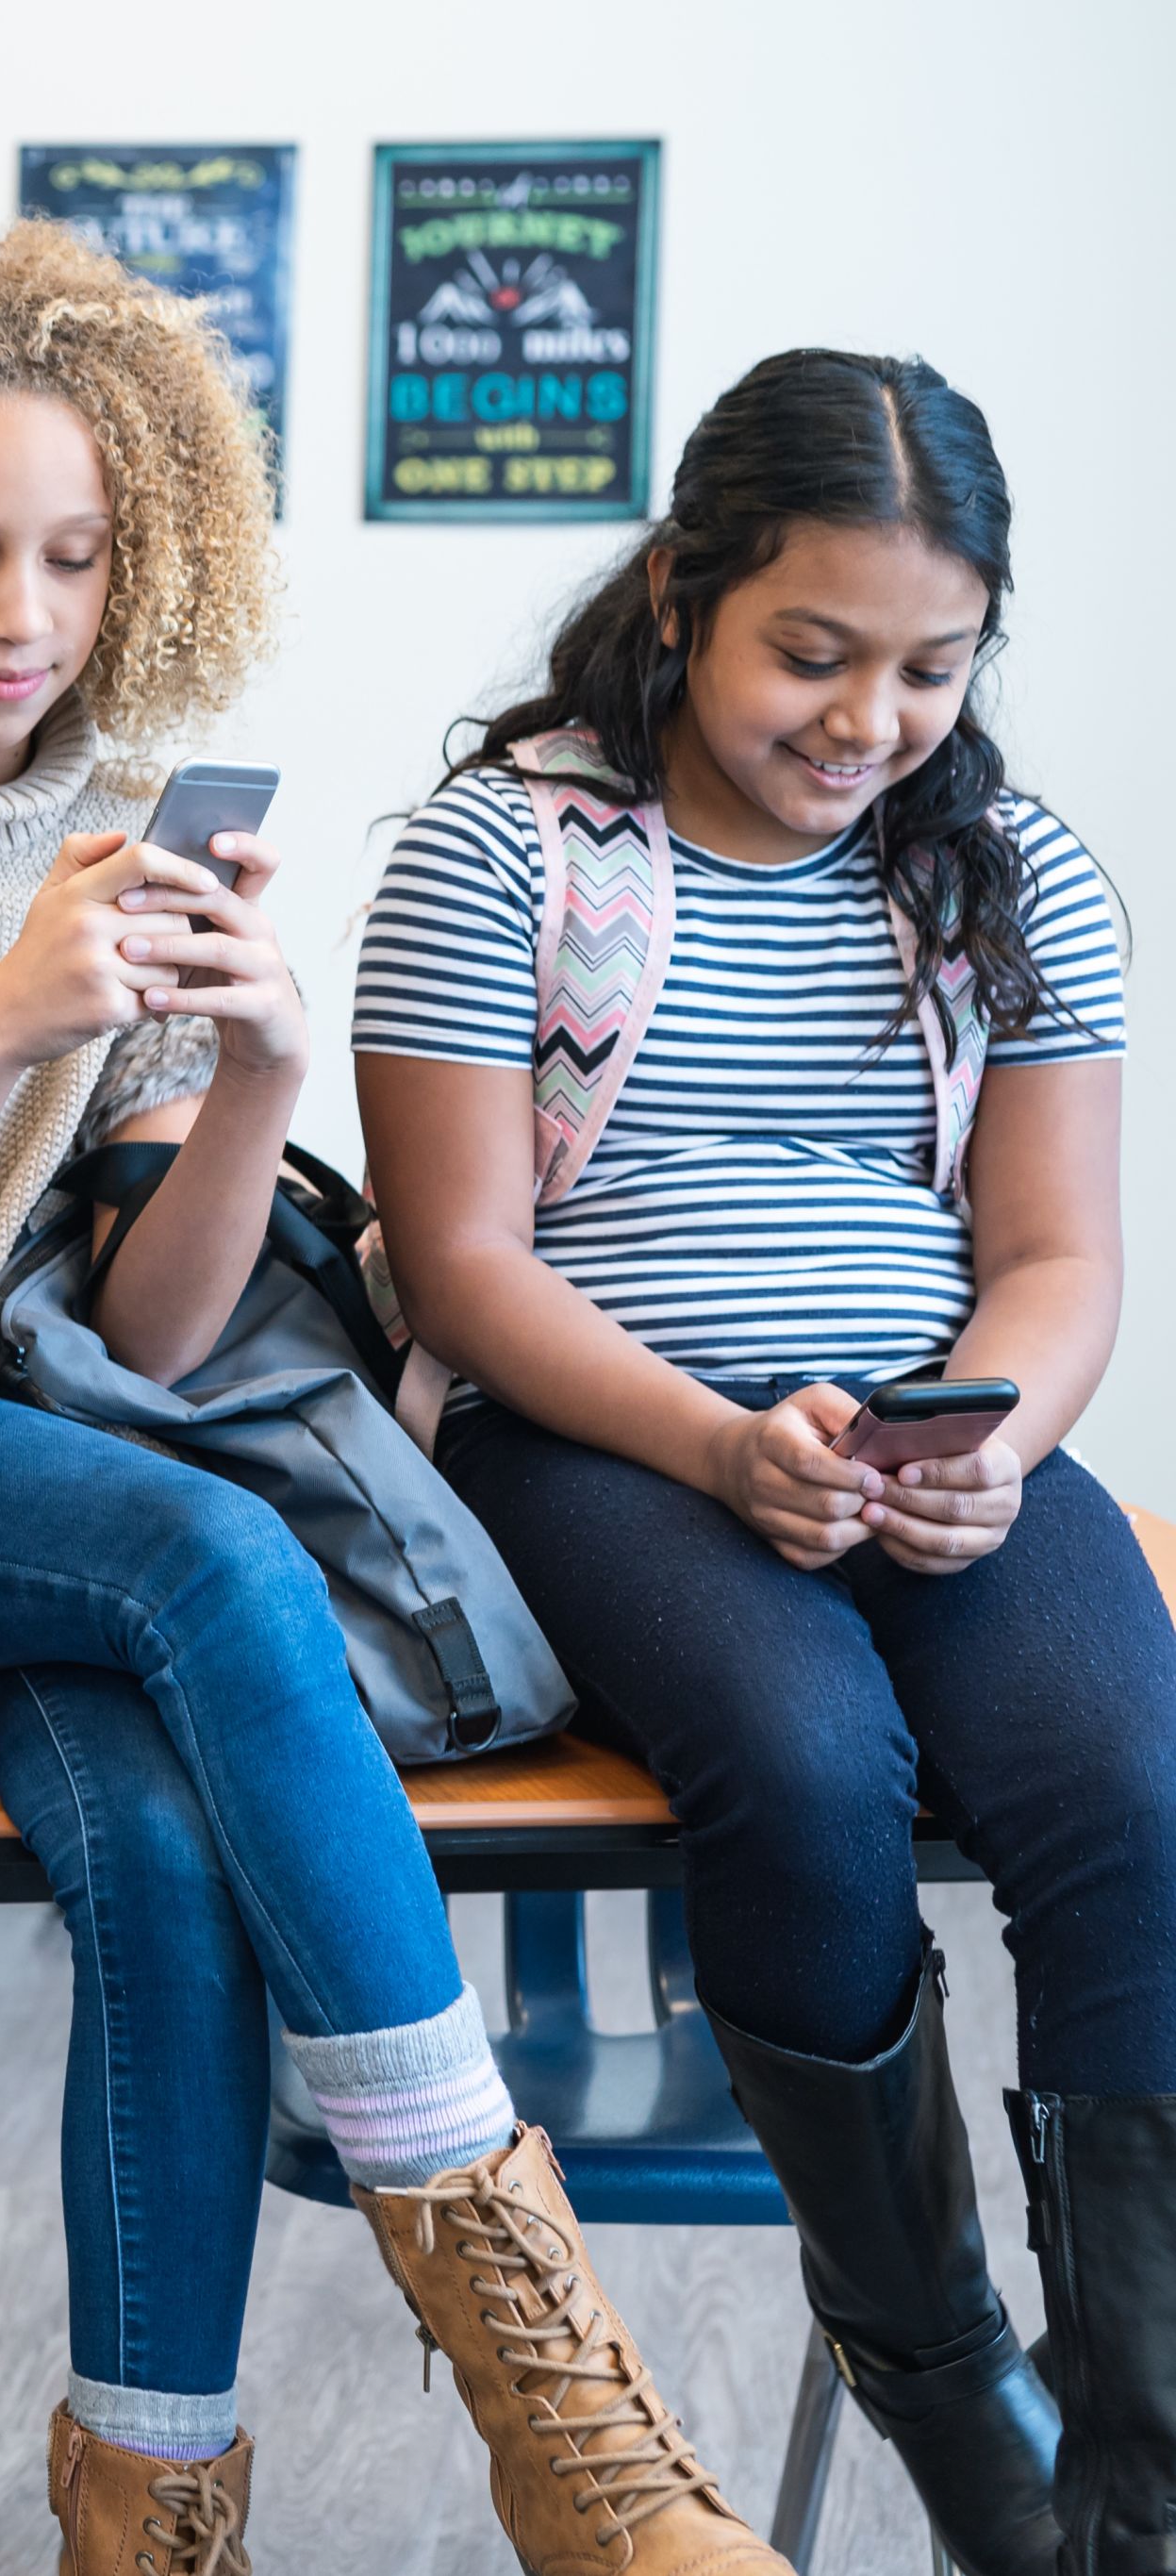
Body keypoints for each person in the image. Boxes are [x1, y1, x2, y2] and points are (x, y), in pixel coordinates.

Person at [0, 222, 788, 2576]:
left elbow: (156, 1335)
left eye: (66, 554)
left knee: (152, 1851)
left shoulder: (134, 811)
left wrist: (255, 1068)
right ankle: (532, 2355)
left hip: (73, 1473)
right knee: (207, 1549)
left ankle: (144, 2509)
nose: (14, 614)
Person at [359, 349, 1169, 2576]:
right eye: (808, 653)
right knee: (803, 1766)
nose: (863, 716)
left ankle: (1137, 2503)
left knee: (1127, 1784)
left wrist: (987, 1436)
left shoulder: (1004, 876)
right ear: (684, 596)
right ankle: (960, 2421)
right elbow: (452, 1265)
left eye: (928, 665)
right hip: (602, 1439)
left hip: (927, 1444)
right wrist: (720, 1450)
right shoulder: (496, 852)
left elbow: (1056, 1249)